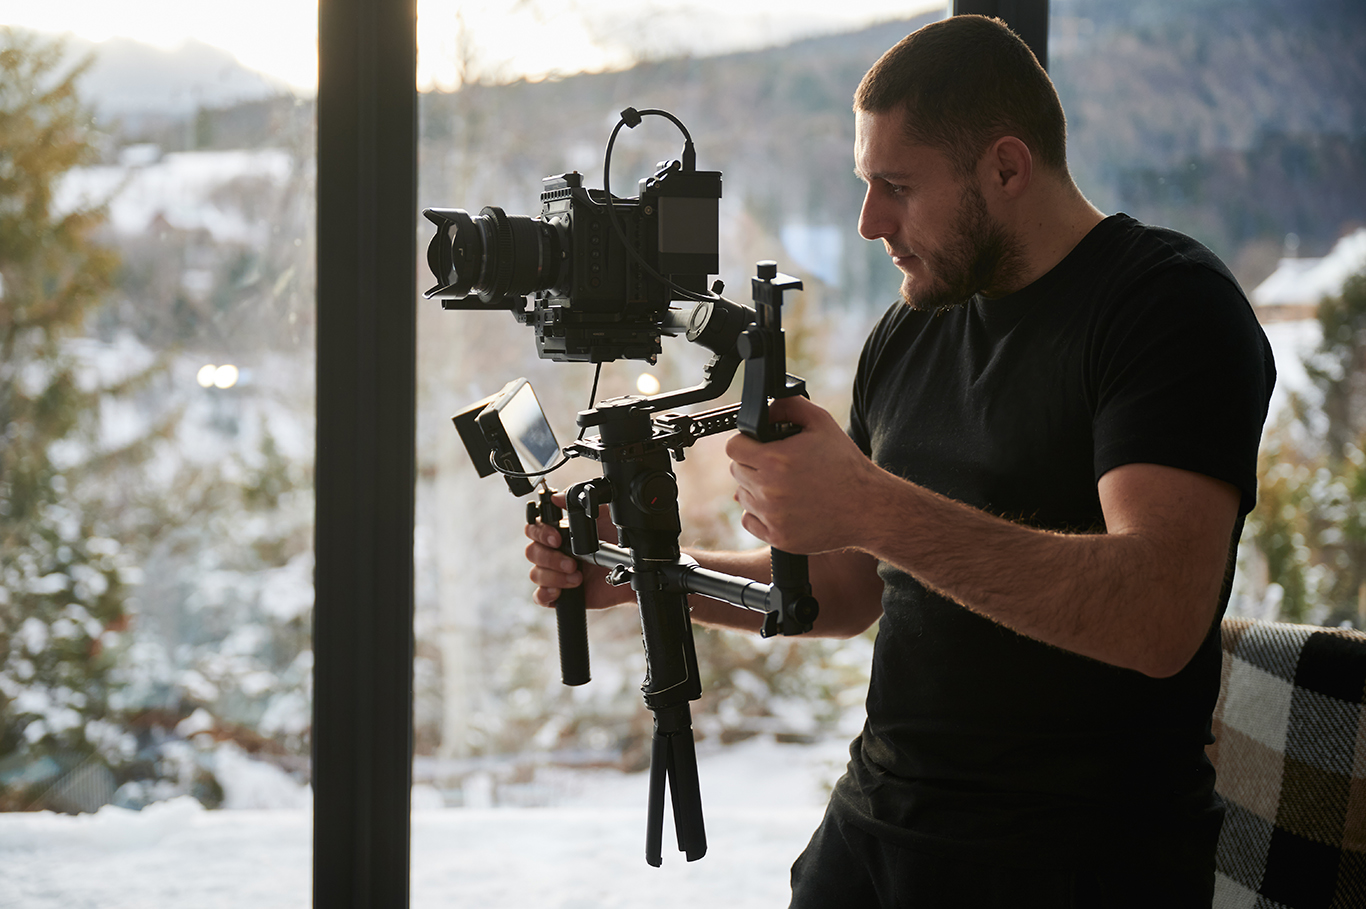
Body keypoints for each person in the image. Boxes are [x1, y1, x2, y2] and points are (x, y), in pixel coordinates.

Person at [525, 15, 1275, 908]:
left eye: (897, 186)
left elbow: (1158, 614)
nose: (869, 220)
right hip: (874, 834)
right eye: (863, 182)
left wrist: (873, 505)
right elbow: (846, 588)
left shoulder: (1167, 308)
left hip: (1081, 856)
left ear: (1006, 167)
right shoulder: (911, 331)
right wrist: (648, 578)